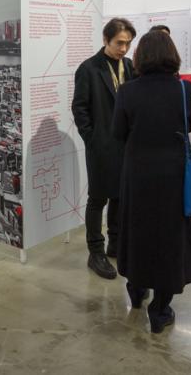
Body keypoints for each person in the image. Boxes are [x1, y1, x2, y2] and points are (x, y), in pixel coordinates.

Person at [112, 31, 191, 334]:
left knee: (137, 229)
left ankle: (136, 290)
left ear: (140, 57)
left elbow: (117, 133)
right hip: (174, 174)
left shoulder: (127, 91)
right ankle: (160, 310)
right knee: (170, 237)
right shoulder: (185, 90)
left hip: (137, 172)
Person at [71, 17, 136, 280]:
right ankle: (95, 251)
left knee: (120, 196)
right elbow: (79, 108)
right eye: (119, 43)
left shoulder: (130, 66)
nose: (123, 48)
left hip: (126, 143)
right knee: (97, 198)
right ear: (105, 40)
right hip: (101, 144)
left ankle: (115, 244)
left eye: (128, 44)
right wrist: (92, 138)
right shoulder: (89, 68)